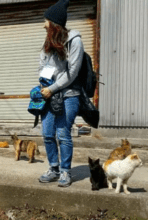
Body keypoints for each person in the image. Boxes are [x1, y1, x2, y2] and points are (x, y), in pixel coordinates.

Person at [37, 0, 84, 187]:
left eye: (46, 21)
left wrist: (53, 88)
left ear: (54, 23)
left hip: (68, 94)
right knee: (47, 133)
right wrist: (42, 86)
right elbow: (42, 66)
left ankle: (65, 171)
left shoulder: (75, 41)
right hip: (48, 93)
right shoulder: (48, 42)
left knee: (63, 133)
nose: (43, 25)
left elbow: (72, 73)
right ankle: (53, 168)